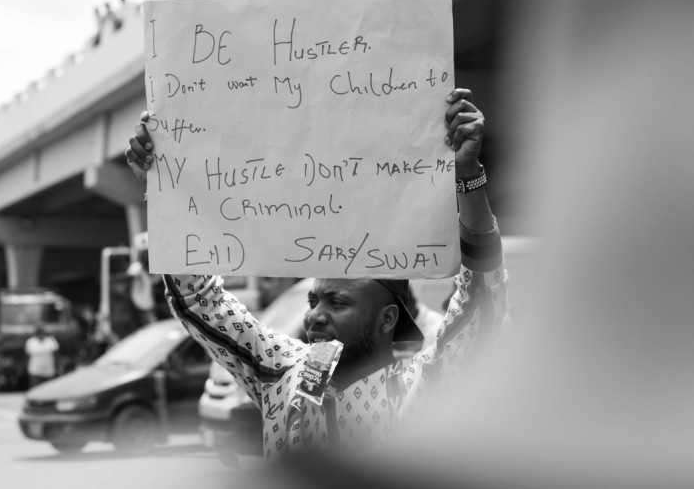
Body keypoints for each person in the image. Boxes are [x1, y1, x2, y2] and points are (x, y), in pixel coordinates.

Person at [125, 88, 508, 458]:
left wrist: (467, 174)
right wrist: (163, 190)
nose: (313, 315)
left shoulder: (422, 387)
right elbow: (200, 300)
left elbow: (479, 298)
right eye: (313, 299)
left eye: (337, 302)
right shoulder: (282, 374)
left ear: (387, 318)